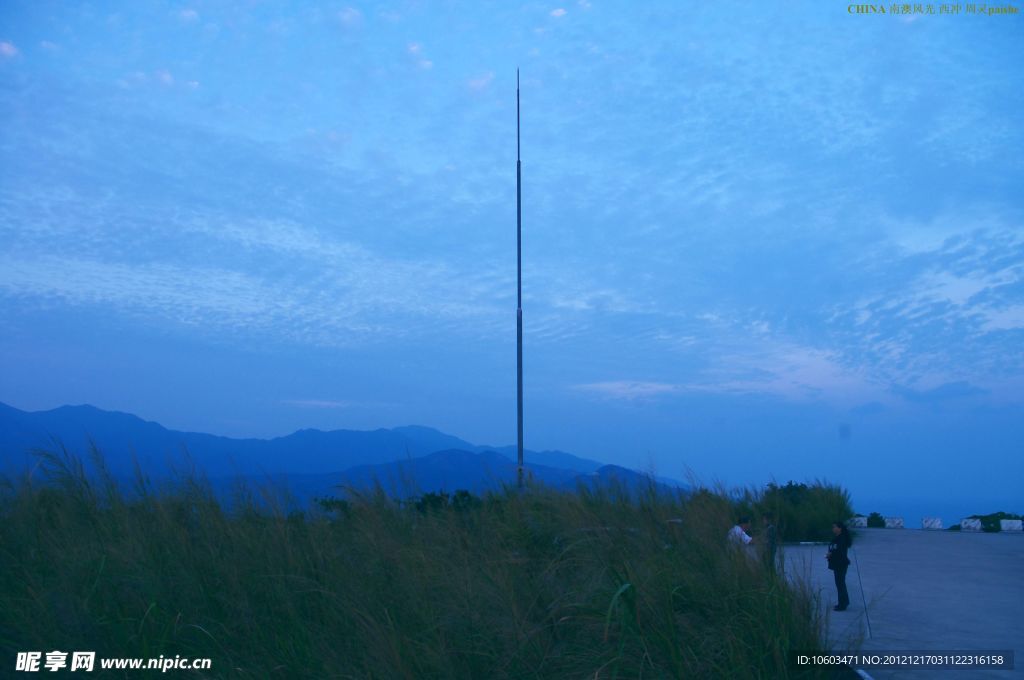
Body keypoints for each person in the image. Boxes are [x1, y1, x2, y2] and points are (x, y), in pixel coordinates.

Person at [826, 520, 852, 611]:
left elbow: (840, 552)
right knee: (840, 584)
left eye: (834, 527)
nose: (833, 529)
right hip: (838, 564)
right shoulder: (837, 538)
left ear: (839, 528)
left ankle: (842, 605)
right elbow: (835, 549)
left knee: (840, 584)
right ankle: (844, 602)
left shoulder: (842, 539)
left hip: (841, 564)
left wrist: (831, 555)